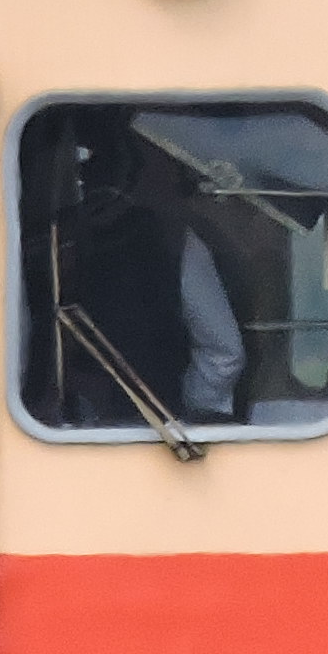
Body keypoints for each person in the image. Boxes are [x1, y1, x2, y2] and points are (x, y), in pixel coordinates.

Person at [45, 131, 243, 430]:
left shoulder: (47, 238)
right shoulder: (178, 242)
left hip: (55, 425)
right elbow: (223, 353)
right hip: (159, 431)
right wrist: (191, 413)